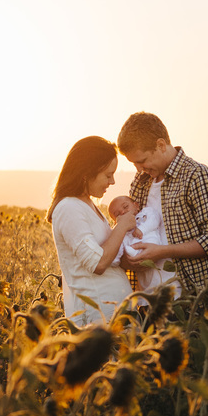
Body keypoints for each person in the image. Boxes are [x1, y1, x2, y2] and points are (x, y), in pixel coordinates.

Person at [115, 112, 208, 296]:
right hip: (146, 299)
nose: (138, 169)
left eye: (142, 161)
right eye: (134, 163)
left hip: (193, 297)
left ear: (160, 145)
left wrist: (162, 252)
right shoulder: (140, 181)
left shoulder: (197, 177)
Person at [47, 136, 136, 326]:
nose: (112, 182)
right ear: (87, 174)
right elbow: (98, 263)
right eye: (107, 175)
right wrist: (122, 225)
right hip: (98, 317)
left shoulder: (87, 204)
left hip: (114, 315)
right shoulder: (69, 208)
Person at [108, 194, 179, 295]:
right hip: (146, 288)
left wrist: (141, 229)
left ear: (136, 206)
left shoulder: (146, 213)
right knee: (125, 245)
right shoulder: (124, 231)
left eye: (125, 207)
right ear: (116, 221)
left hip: (151, 241)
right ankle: (133, 253)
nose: (123, 212)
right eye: (117, 214)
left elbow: (154, 219)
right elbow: (118, 244)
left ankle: (135, 252)